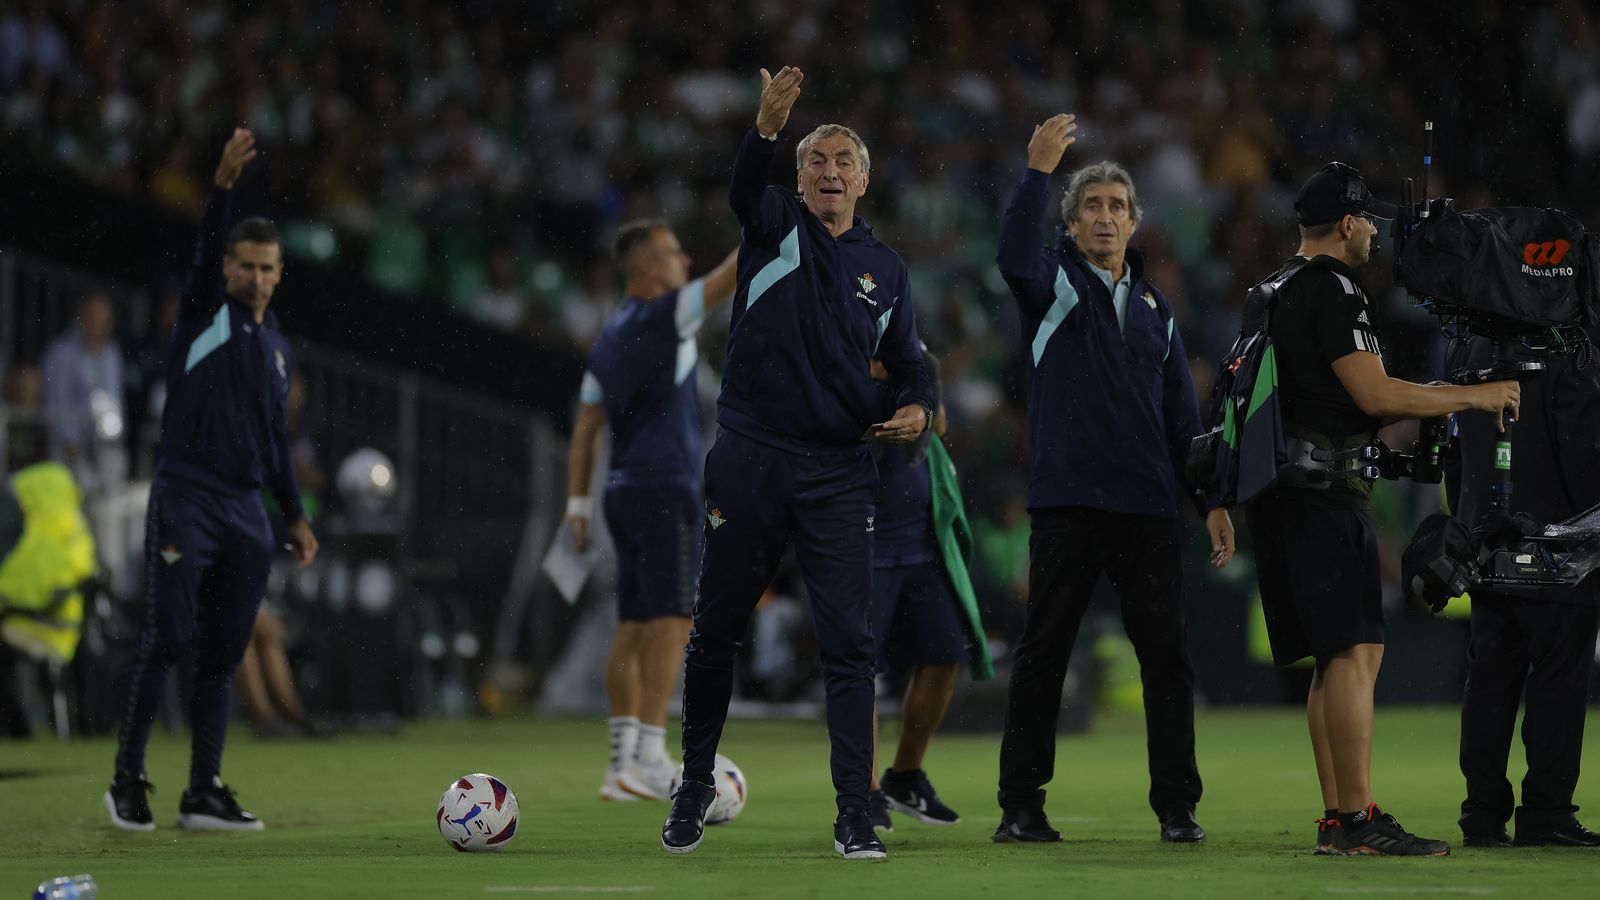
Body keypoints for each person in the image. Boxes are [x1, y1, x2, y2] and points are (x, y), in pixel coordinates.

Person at [661, 66, 933, 860]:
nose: (829, 171)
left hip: (839, 470)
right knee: (715, 631)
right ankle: (693, 787)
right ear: (801, 176)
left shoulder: (889, 271)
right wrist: (766, 129)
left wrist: (918, 406)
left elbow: (909, 364)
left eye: (844, 160)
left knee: (851, 647)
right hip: (750, 454)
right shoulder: (773, 221)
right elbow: (746, 183)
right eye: (816, 159)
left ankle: (855, 811)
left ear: (865, 181)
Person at [1241, 161, 1519, 856]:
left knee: (1334, 659)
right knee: (1357, 652)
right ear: (1346, 223)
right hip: (1322, 493)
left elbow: (1261, 401)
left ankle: (1340, 818)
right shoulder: (1334, 288)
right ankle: (1356, 820)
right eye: (1368, 220)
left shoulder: (1270, 289)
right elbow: (1374, 394)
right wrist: (1470, 396)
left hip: (1283, 489)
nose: (1374, 233)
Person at [992, 114, 1234, 845]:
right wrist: (1036, 170)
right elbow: (1011, 256)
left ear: (1134, 223)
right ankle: (1021, 806)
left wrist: (1212, 501)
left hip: (1146, 510)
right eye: (1091, 206)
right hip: (1067, 505)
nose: (1104, 216)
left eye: (1116, 207)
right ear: (1069, 225)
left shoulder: (1159, 312)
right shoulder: (1052, 285)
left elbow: (1182, 425)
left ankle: (1176, 808)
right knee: (1044, 656)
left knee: (1167, 661)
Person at [105, 128, 319, 832]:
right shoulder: (205, 314)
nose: (255, 277)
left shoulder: (275, 347)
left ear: (280, 274)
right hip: (187, 496)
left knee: (224, 652)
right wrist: (222, 189)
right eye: (245, 266)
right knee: (167, 636)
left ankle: (203, 790)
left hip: (244, 511)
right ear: (228, 268)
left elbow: (274, 441)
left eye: (267, 268)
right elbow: (201, 251)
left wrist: (293, 514)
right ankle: (127, 780)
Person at [563, 218, 737, 802]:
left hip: (620, 490)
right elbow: (727, 276)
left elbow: (586, 427)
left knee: (633, 624)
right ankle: (653, 754)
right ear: (647, 268)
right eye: (672, 252)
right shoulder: (669, 315)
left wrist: (577, 503)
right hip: (666, 488)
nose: (684, 259)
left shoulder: (608, 334)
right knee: (672, 622)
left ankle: (620, 765)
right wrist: (778, 217)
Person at [1449, 327, 1600, 848]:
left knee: (1490, 679)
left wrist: (1471, 523)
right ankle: (1547, 812)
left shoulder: (1469, 341)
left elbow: (1456, 448)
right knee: (1558, 679)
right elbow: (1584, 454)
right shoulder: (1569, 343)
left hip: (1487, 537)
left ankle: (1483, 814)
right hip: (1560, 542)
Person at [865, 349, 994, 834]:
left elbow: (937, 428)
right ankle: (865, 791)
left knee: (945, 656)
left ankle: (904, 775)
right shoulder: (834, 358)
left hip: (923, 540)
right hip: (866, 543)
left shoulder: (918, 361)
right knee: (860, 670)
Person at [40, 291, 124, 488]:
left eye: (103, 318)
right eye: (92, 317)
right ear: (81, 317)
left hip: (107, 445)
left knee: (110, 506)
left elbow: (116, 396)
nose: (98, 323)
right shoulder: (61, 352)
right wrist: (70, 441)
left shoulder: (112, 353)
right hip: (71, 449)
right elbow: (56, 401)